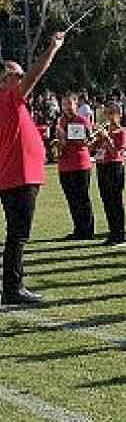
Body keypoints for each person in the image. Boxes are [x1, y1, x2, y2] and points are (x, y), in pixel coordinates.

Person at [1, 31, 65, 305]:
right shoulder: (9, 99)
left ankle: (12, 284)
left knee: (16, 234)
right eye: (17, 74)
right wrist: (53, 47)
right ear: (6, 80)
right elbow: (36, 75)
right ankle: (13, 287)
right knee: (18, 234)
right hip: (19, 177)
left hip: (14, 176)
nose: (22, 77)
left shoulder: (12, 103)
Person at [56, 93, 95, 240]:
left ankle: (87, 230)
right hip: (64, 165)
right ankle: (78, 228)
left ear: (76, 104)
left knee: (82, 198)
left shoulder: (81, 120)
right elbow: (61, 142)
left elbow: (82, 141)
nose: (66, 107)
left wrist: (64, 136)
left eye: (69, 104)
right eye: (64, 104)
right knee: (71, 199)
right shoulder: (61, 121)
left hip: (79, 164)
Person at [92, 103, 126, 247]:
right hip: (101, 166)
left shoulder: (121, 131)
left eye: (111, 113)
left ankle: (120, 235)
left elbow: (116, 152)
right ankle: (112, 233)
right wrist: (95, 139)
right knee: (106, 200)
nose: (108, 117)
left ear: (118, 115)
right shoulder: (105, 131)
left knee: (115, 201)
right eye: (106, 113)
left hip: (114, 167)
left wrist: (107, 138)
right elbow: (92, 147)